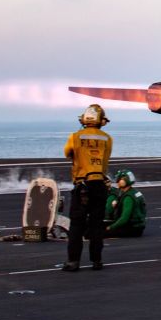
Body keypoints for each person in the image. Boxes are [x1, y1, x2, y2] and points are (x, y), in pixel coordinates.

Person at [63, 104, 112, 271]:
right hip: (99, 183)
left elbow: (67, 153)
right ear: (101, 120)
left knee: (77, 224)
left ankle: (73, 261)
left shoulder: (75, 137)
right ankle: (96, 261)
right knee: (97, 224)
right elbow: (105, 159)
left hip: (82, 184)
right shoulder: (107, 138)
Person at [104, 169, 147, 238]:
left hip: (132, 228)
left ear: (123, 181)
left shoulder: (128, 198)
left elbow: (124, 218)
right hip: (138, 226)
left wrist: (110, 227)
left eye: (119, 179)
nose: (117, 182)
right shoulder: (134, 192)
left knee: (96, 234)